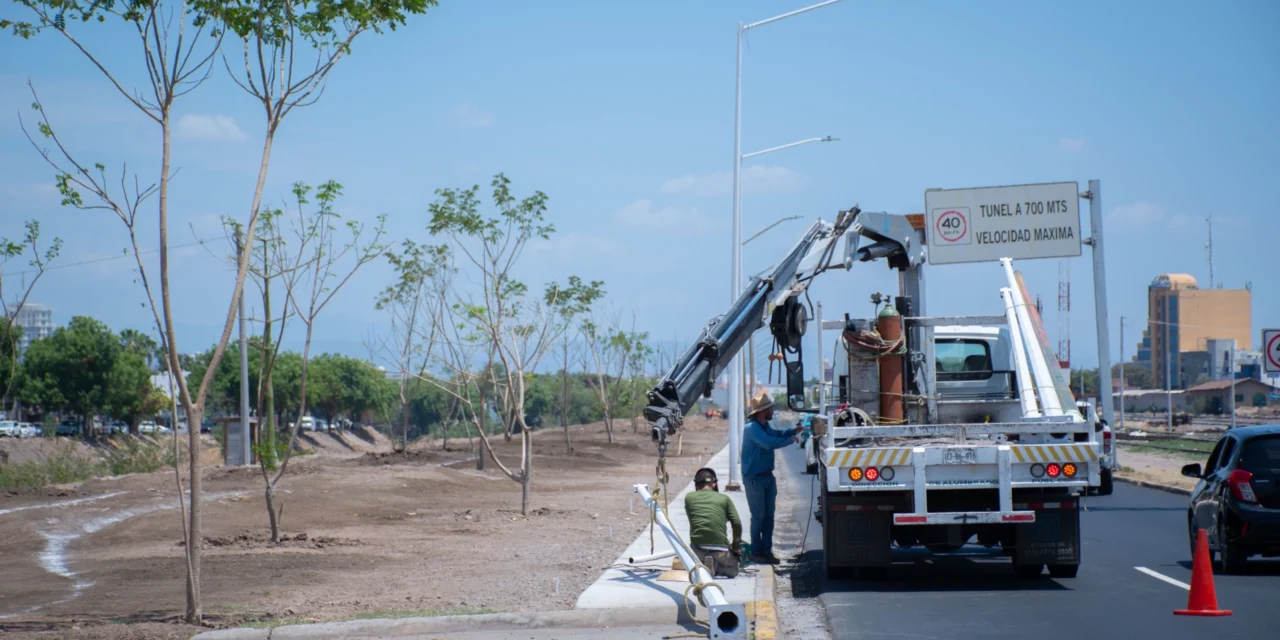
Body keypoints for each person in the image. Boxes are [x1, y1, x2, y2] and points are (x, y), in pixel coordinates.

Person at [740, 391, 798, 565]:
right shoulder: (752, 428)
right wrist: (791, 440)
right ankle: (756, 552)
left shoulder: (764, 426)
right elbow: (768, 442)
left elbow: (775, 435)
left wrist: (793, 430)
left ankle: (766, 551)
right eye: (770, 409)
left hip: (766, 478)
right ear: (763, 411)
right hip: (755, 479)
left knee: (769, 517)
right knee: (758, 516)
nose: (772, 411)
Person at [684, 467, 743, 578]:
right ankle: (716, 568)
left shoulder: (689, 498)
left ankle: (704, 564)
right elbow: (737, 523)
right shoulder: (724, 499)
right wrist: (736, 547)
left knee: (697, 565)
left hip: (698, 549)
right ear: (714, 484)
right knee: (734, 570)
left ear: (696, 485)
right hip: (720, 551)